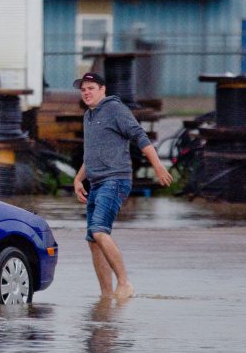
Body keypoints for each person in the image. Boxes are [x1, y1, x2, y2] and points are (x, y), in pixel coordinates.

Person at [72, 72, 173, 299]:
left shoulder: (115, 109)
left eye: (91, 88)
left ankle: (125, 283)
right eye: (83, 89)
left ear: (102, 90)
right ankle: (106, 295)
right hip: (96, 182)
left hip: (115, 179)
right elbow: (92, 153)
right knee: (92, 240)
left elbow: (140, 136)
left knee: (99, 231)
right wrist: (79, 178)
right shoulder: (88, 115)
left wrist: (157, 166)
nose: (86, 92)